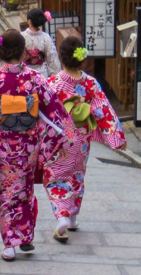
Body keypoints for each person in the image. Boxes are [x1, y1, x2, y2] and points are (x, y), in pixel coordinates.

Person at [0, 30, 71, 261]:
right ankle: (24, 237)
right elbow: (54, 107)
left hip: (2, 146)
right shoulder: (34, 78)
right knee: (24, 192)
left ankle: (9, 244)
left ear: (1, 52)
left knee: (4, 195)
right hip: (28, 146)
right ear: (23, 52)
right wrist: (62, 137)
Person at [45, 36, 125, 241]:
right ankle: (73, 218)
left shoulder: (53, 83)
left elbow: (42, 115)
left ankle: (62, 216)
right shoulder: (90, 83)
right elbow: (104, 109)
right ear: (81, 59)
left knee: (56, 176)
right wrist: (116, 137)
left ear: (61, 58)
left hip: (60, 140)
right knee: (77, 174)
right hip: (81, 138)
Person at [23, 8, 60, 76]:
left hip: (25, 73)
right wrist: (55, 75)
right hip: (42, 74)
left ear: (29, 21)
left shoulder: (21, 36)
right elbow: (52, 57)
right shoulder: (45, 37)